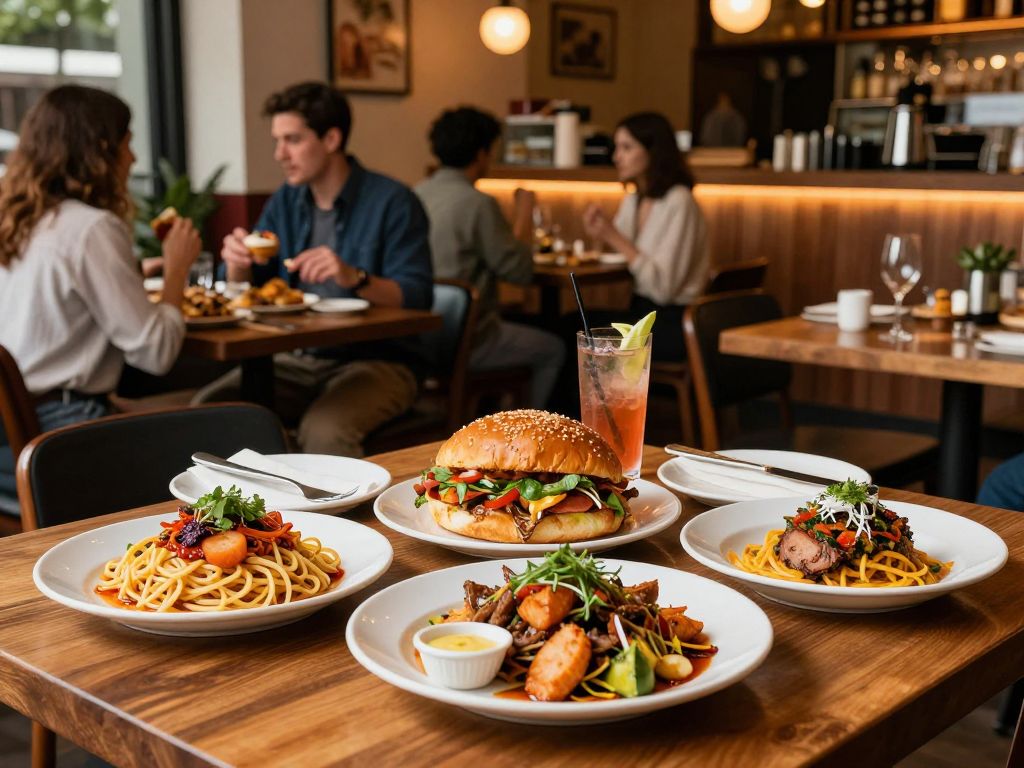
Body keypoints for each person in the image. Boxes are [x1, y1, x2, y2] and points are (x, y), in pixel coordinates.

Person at [196, 81, 433, 457]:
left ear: (332, 138)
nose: (280, 154)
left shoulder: (393, 202)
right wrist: (238, 265)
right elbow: (252, 281)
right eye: (277, 141)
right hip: (297, 356)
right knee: (207, 413)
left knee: (324, 432)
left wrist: (353, 277)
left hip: (379, 360)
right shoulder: (287, 201)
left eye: (292, 140)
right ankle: (265, 510)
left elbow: (417, 297)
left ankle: (338, 516)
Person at [0, 85, 201, 496]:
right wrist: (177, 270)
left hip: (11, 432)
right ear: (102, 149)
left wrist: (128, 274)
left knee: (191, 402)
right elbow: (155, 353)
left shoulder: (18, 219)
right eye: (128, 144)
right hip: (62, 428)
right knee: (224, 433)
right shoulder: (92, 228)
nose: (134, 159)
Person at [415, 106, 565, 409]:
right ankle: (530, 435)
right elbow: (520, 270)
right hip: (467, 341)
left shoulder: (415, 193)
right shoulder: (478, 204)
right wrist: (524, 211)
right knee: (554, 348)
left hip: (419, 339)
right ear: (482, 153)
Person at [580, 111, 710, 363]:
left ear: (654, 151)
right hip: (640, 314)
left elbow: (662, 289)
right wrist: (599, 233)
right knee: (573, 325)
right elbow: (622, 255)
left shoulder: (679, 202)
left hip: (673, 322)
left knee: (576, 330)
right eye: (616, 147)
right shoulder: (635, 200)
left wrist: (613, 235)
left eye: (626, 147)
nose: (616, 157)